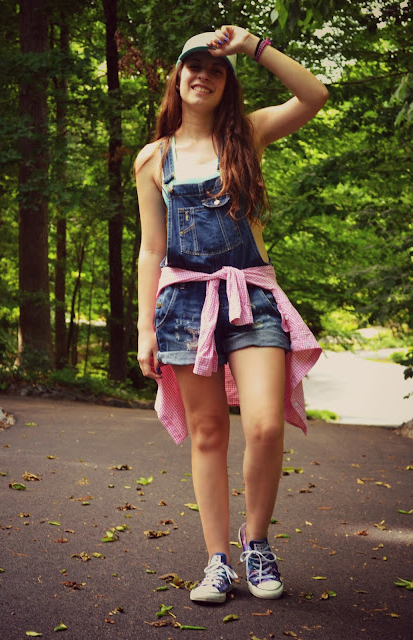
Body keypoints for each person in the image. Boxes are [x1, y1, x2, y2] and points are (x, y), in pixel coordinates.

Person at [135, 25, 328, 604]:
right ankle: (217, 561)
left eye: (216, 69)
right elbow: (151, 249)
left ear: (227, 82)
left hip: (250, 296)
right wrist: (144, 328)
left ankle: (257, 543)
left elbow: (315, 95)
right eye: (194, 66)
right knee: (209, 433)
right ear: (178, 78)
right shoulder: (154, 158)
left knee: (264, 425)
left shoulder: (249, 133)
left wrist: (252, 47)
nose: (204, 75)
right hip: (183, 303)